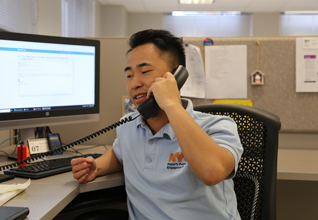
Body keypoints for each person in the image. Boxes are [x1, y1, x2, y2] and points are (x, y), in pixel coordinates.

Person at [71, 29, 243, 220]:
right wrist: (96, 167)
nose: (134, 83)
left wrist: (170, 104)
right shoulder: (128, 126)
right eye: (129, 75)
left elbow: (212, 172)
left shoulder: (218, 125)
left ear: (176, 76)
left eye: (144, 72)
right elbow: (120, 153)